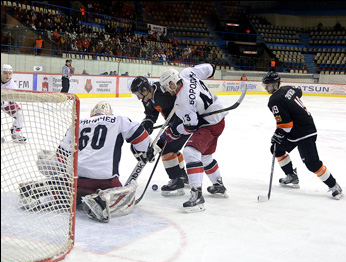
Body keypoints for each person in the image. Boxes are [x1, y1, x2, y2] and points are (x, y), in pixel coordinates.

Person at [18, 101, 158, 222]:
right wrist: (144, 151)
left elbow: (61, 156)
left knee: (71, 190)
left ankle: (44, 196)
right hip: (104, 180)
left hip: (76, 178)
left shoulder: (77, 123)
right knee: (128, 196)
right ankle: (102, 200)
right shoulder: (118, 120)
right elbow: (140, 134)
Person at [262, 71, 343, 200]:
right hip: (299, 129)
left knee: (312, 163)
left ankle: (334, 186)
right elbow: (299, 92)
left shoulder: (274, 100)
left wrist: (277, 134)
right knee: (276, 149)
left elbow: (286, 125)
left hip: (304, 132)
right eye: (264, 85)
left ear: (276, 84)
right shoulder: (287, 89)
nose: (266, 88)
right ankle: (291, 176)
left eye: (268, 85)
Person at [159, 63, 229, 212]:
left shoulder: (182, 101)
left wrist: (174, 131)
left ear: (172, 83)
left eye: (166, 86)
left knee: (190, 152)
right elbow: (210, 68)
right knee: (205, 156)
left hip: (209, 125)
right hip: (219, 118)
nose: (166, 90)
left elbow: (191, 126)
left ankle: (196, 195)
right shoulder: (187, 72)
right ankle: (218, 185)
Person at [130, 76, 189, 196]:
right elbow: (151, 115)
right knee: (173, 149)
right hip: (174, 125)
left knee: (166, 149)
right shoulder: (147, 100)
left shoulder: (163, 91)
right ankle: (182, 176)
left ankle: (177, 180)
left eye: (138, 93)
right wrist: (146, 127)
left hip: (184, 123)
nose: (138, 97)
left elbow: (183, 99)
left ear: (145, 89)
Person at [1, 64, 27, 143]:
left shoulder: (12, 86)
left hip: (5, 102)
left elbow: (10, 100)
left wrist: (5, 102)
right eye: (5, 73)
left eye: (10, 73)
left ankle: (15, 133)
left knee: (20, 114)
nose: (8, 75)